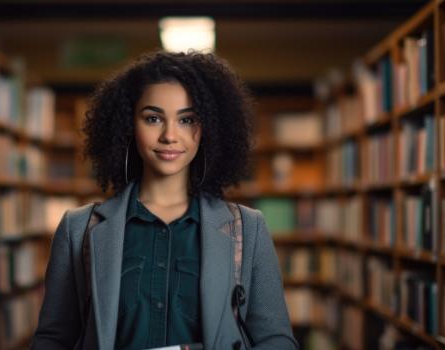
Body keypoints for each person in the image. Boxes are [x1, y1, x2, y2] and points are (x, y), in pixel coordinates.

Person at [31, 50, 297, 350]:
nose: (170, 135)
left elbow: (277, 341)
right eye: (153, 118)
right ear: (128, 125)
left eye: (187, 120)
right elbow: (53, 340)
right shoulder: (77, 229)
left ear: (208, 127)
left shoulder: (249, 229)